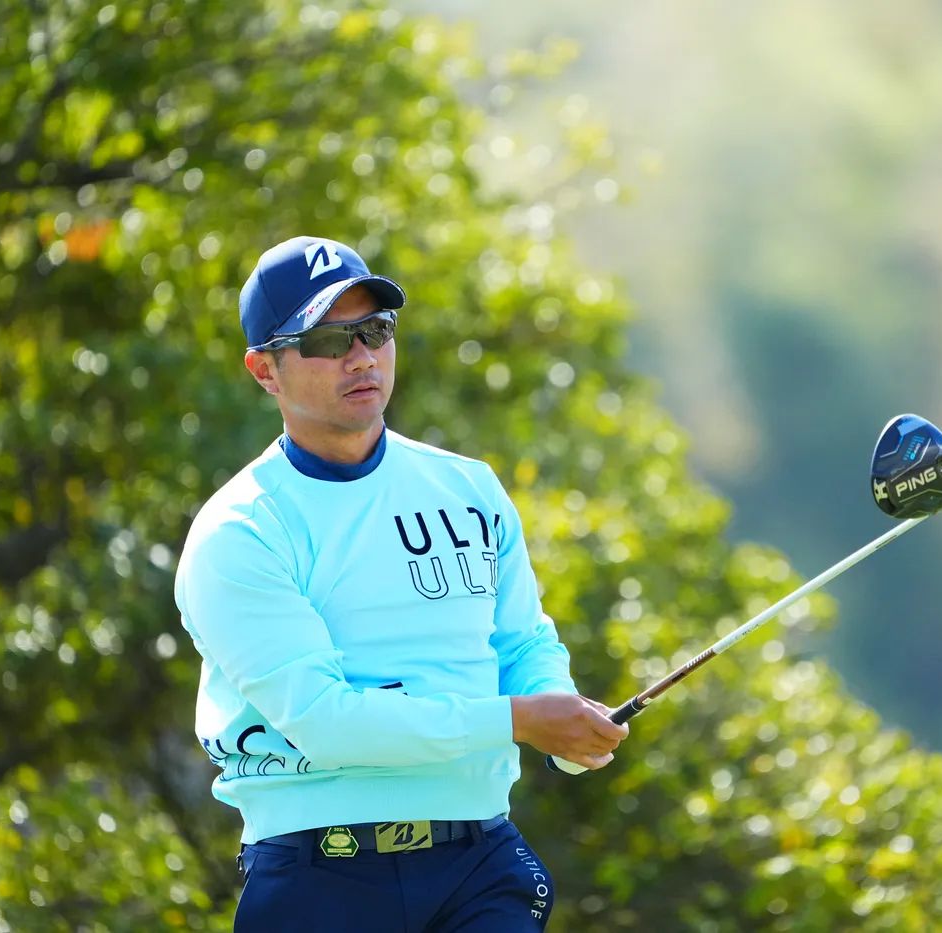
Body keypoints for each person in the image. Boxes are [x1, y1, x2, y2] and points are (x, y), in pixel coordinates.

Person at [172, 236, 629, 932]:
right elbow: (327, 723)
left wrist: (562, 717)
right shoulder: (239, 530)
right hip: (318, 874)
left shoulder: (469, 487)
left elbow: (522, 642)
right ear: (265, 370)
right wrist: (520, 720)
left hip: (480, 862)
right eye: (328, 340)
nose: (361, 357)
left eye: (375, 331)